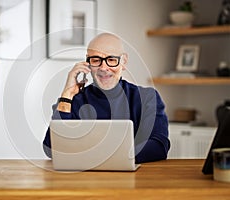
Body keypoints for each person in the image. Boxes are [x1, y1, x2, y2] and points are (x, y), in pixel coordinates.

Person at [43, 33, 170, 163]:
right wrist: (67, 94)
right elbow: (51, 148)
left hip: (134, 178)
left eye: (111, 59)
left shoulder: (147, 98)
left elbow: (159, 146)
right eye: (96, 60)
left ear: (123, 62)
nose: (104, 68)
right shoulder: (74, 100)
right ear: (88, 63)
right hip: (85, 180)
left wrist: (98, 155)